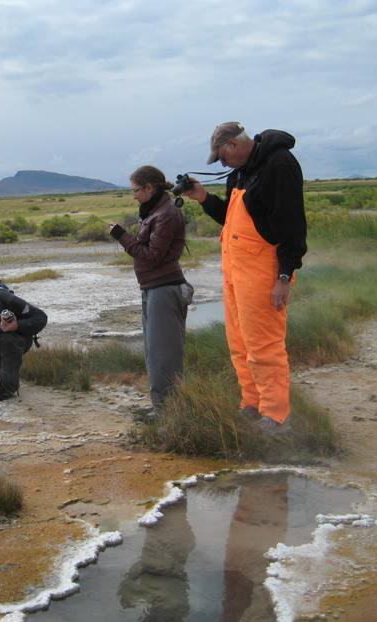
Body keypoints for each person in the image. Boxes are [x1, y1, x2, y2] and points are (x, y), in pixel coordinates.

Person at [184, 122, 306, 435]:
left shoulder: (280, 165)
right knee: (239, 344)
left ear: (234, 145)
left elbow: (293, 225)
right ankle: (251, 406)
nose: (222, 164)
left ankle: (277, 416)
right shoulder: (239, 172)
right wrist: (201, 197)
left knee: (264, 345)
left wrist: (284, 275)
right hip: (236, 271)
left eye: (222, 157)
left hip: (264, 271)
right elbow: (231, 216)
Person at [109, 165, 193, 416]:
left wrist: (122, 236)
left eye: (136, 190)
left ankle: (168, 411)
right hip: (154, 288)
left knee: (163, 354)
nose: (133, 195)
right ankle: (162, 408)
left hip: (164, 289)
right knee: (155, 352)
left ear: (149, 188)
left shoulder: (165, 213)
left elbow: (151, 256)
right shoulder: (154, 210)